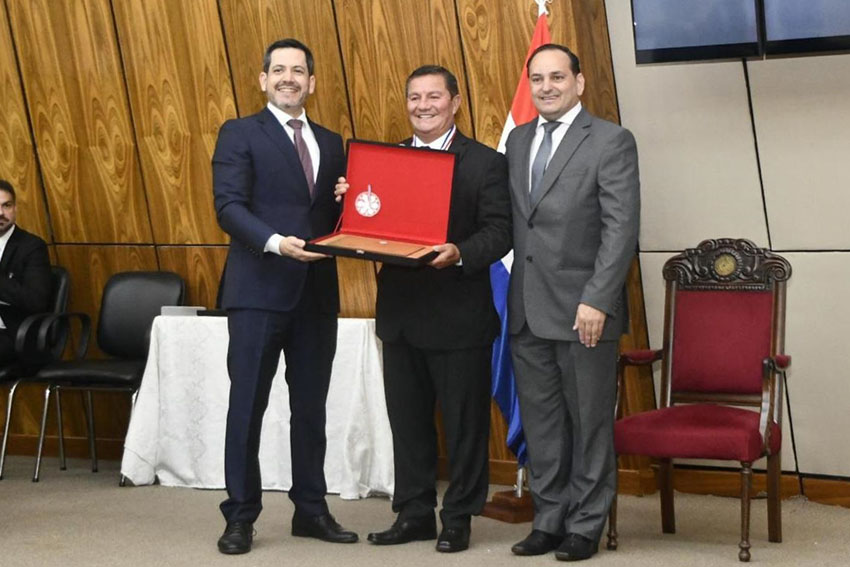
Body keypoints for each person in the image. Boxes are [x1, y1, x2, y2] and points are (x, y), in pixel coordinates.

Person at [336, 65, 512, 553]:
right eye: (415, 97)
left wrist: (460, 251)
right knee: (408, 425)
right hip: (401, 317)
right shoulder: (384, 161)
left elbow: (501, 231)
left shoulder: (485, 163)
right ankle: (413, 513)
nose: (423, 106)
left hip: (460, 317)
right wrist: (349, 203)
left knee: (464, 427)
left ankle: (459, 517)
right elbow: (366, 226)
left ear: (455, 102)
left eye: (434, 96)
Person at [211, 38, 356, 555]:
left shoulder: (333, 142)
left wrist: (348, 204)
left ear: (312, 82)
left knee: (311, 409)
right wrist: (275, 242)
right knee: (246, 407)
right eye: (278, 70)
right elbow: (228, 207)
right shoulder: (239, 133)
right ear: (263, 80)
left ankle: (311, 510)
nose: (288, 78)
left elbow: (338, 217)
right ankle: (240, 516)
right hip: (257, 291)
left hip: (316, 295)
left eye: (298, 70)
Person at [505, 44, 640, 562]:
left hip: (585, 313)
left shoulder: (610, 140)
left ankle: (585, 524)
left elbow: (620, 228)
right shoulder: (518, 140)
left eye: (557, 77)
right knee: (543, 428)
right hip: (527, 310)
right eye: (537, 79)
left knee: (588, 426)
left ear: (579, 83)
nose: (546, 87)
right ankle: (549, 520)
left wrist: (598, 299)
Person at [0, 179, 51, 363]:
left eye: (6, 205)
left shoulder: (32, 247)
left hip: (12, 333)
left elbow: (35, 300)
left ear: (15, 208)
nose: (0, 213)